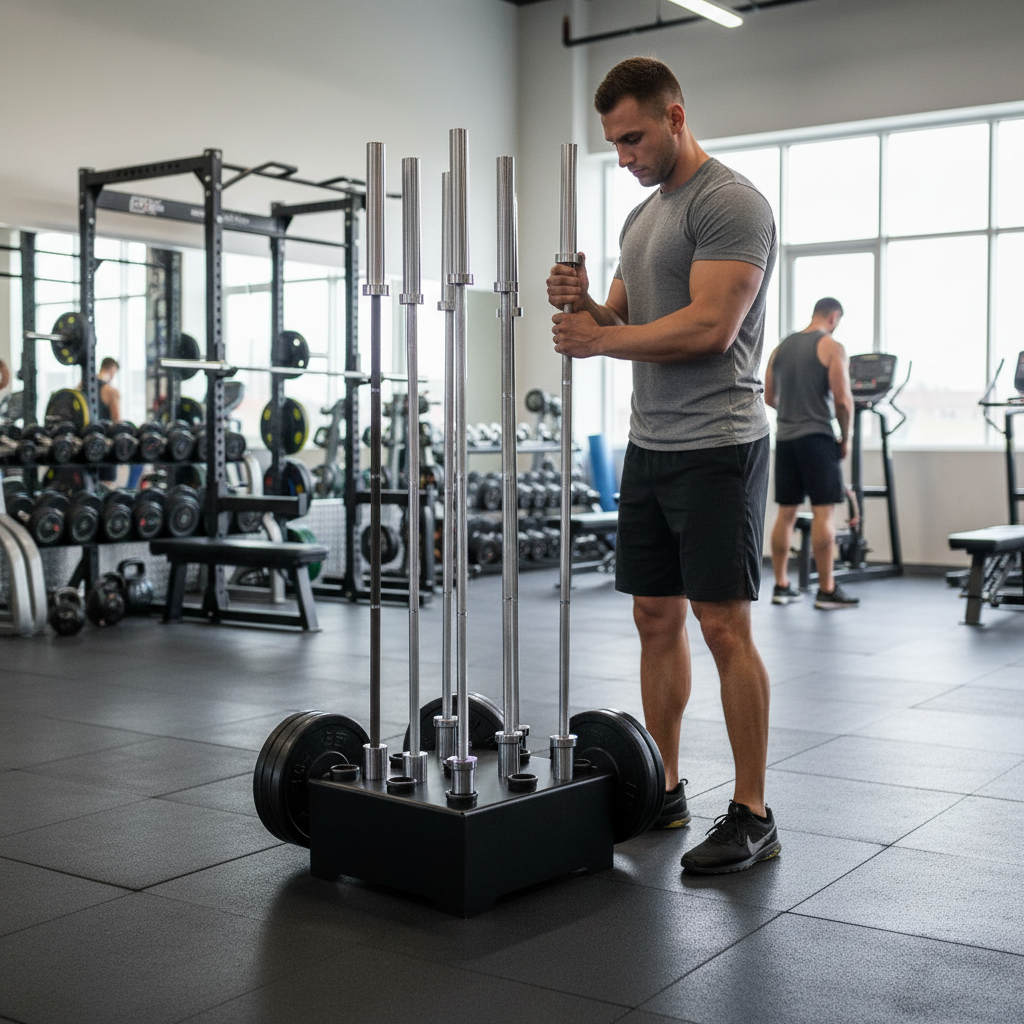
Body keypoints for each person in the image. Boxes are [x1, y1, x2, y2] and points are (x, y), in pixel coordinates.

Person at [547, 57, 781, 874]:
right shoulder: (641, 220)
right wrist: (581, 303)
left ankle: (753, 811)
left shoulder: (732, 204)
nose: (625, 156)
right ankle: (666, 787)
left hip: (719, 442)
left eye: (634, 138)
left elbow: (710, 327)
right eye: (613, 144)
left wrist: (600, 338)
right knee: (656, 618)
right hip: (652, 444)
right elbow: (625, 319)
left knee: (723, 625)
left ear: (675, 116)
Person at [765, 298, 859, 610]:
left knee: (786, 513)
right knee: (824, 512)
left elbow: (769, 395)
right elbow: (843, 400)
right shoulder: (831, 346)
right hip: (817, 437)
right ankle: (827, 590)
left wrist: (792, 413)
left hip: (786, 439)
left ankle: (781, 585)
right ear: (833, 317)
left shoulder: (782, 347)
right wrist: (846, 437)